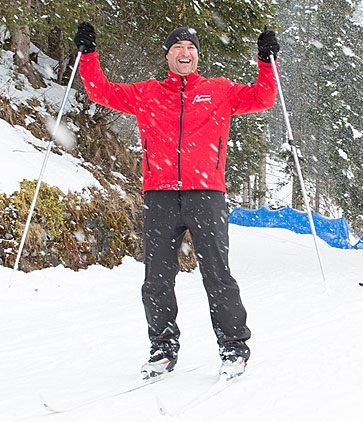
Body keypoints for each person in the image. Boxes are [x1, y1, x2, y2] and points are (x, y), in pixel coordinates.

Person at [73, 23, 279, 380]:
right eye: (178, 47)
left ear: (197, 55)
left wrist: (265, 61)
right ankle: (163, 348)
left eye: (191, 47)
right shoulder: (147, 93)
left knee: (217, 274)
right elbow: (99, 91)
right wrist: (89, 55)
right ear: (167, 55)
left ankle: (233, 347)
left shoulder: (219, 90)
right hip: (160, 196)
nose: (185, 52)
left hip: (207, 195)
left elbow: (263, 98)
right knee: (156, 279)